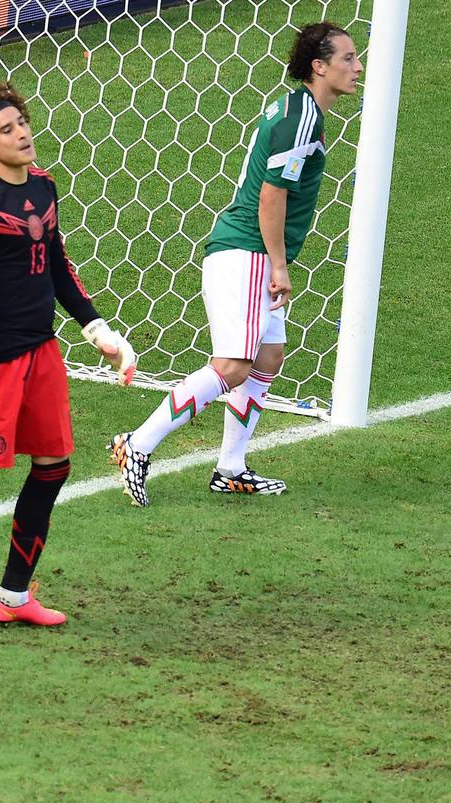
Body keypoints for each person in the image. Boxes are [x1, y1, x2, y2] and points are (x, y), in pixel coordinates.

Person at [109, 22, 363, 506]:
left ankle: (231, 467)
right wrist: (279, 265)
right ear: (319, 66)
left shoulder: (299, 109)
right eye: (348, 58)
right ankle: (137, 443)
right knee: (234, 365)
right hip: (247, 251)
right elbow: (272, 198)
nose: (357, 67)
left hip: (249, 250)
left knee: (268, 358)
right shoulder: (299, 118)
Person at [0, 82, 137, 646]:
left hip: (41, 352)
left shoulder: (44, 187)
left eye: (22, 123)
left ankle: (12, 597)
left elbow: (57, 263)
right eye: (7, 129)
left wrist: (96, 327)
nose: (22, 134)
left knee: (53, 465)